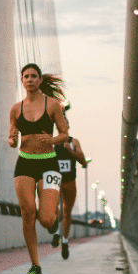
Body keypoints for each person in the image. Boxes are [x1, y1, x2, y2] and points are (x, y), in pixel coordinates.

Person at [7, 63, 68, 274]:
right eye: (26, 76)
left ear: (40, 80)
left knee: (45, 219)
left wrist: (52, 140)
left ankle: (54, 217)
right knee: (27, 213)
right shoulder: (16, 108)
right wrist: (12, 139)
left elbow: (64, 134)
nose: (30, 79)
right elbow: (12, 138)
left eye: (34, 76)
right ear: (22, 81)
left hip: (48, 162)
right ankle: (35, 264)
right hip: (25, 163)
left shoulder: (53, 105)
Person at [52, 109, 88, 260]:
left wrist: (70, 151)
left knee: (67, 212)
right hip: (55, 181)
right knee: (53, 208)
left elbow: (84, 162)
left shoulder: (74, 142)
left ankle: (65, 241)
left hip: (69, 181)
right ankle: (56, 233)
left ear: (68, 126)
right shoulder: (52, 143)